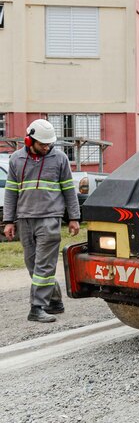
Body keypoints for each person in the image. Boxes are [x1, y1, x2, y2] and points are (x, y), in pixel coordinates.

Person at [3, 119, 81, 323]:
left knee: (44, 266)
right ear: (29, 140)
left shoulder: (60, 158)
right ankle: (55, 300)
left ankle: (36, 307)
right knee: (33, 266)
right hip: (24, 220)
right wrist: (8, 221)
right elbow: (11, 193)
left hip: (50, 219)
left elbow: (69, 192)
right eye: (42, 144)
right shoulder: (16, 160)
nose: (47, 147)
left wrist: (74, 218)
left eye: (49, 144)